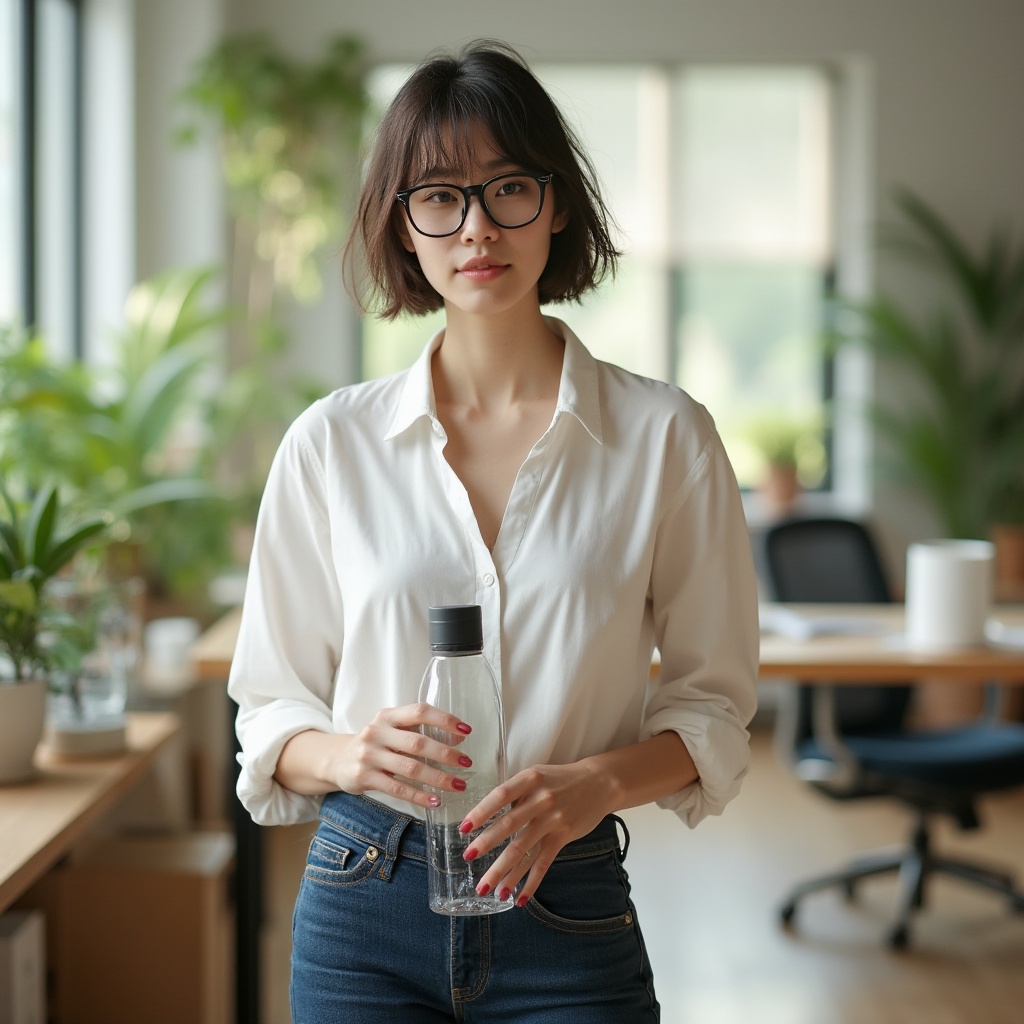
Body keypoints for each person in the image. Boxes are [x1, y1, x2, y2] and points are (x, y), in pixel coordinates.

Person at [228, 38, 759, 1023]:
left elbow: (713, 710)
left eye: (508, 187)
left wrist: (595, 780)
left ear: (555, 204)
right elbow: (268, 713)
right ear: (404, 226)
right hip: (363, 899)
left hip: (568, 898)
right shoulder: (330, 443)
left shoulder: (663, 436)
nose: (477, 227)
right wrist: (348, 755)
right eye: (439, 196)